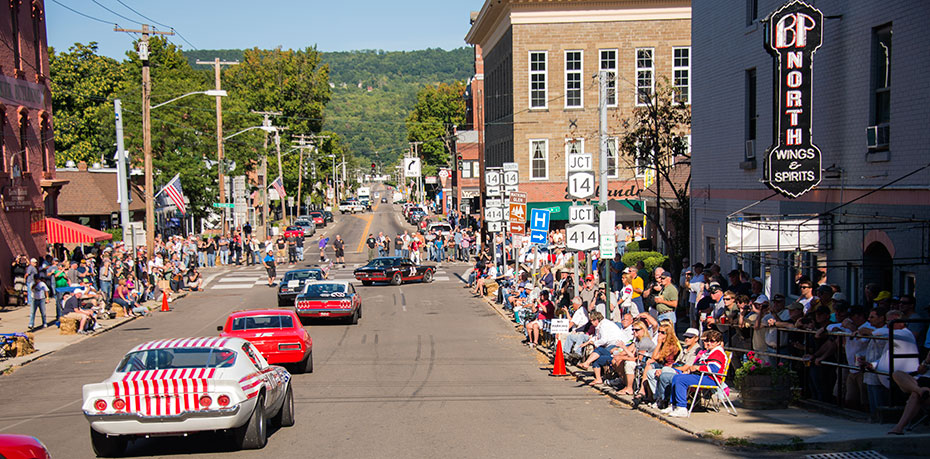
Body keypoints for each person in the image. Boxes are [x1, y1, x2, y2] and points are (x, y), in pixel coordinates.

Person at [662, 330, 728, 417]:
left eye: (712, 341)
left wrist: (697, 368)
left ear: (718, 343)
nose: (709, 343)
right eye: (707, 340)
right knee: (677, 377)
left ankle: (682, 408)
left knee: (680, 379)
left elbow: (713, 369)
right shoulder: (709, 352)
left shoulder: (717, 353)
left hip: (712, 379)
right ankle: (674, 405)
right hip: (702, 376)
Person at [578, 311, 628, 385]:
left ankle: (587, 363)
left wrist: (594, 343)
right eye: (591, 320)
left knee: (598, 350)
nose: (592, 322)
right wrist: (588, 342)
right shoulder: (600, 325)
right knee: (596, 357)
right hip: (610, 344)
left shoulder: (604, 325)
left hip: (616, 345)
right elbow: (597, 336)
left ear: (598, 319)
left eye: (593, 320)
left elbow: (604, 340)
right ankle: (598, 378)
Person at [887, 354, 930, 435]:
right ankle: (919, 390)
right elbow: (920, 371)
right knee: (897, 374)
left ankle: (899, 427)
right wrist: (926, 361)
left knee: (915, 395)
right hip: (921, 382)